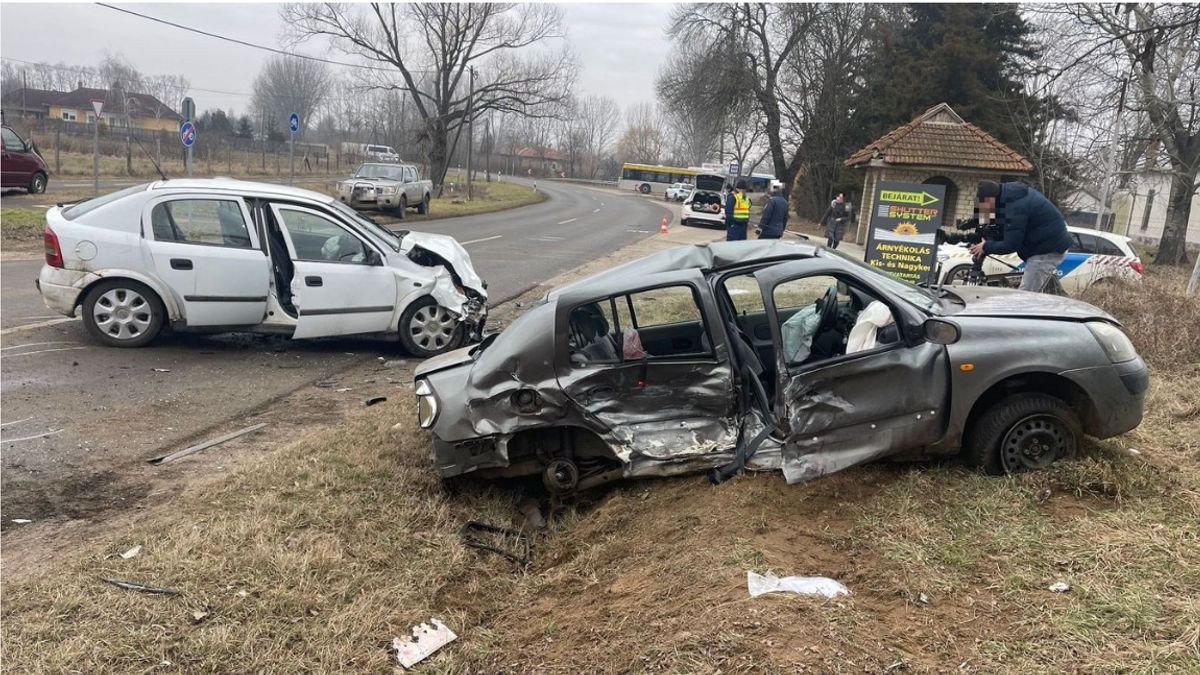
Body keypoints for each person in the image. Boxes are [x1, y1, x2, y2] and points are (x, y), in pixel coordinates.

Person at [967, 180, 1073, 293]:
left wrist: (985, 246)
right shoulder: (1006, 194)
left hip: (1046, 250)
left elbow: (1010, 244)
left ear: (991, 201)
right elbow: (994, 224)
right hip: (1044, 245)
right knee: (1035, 293)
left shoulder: (1014, 208)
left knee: (1024, 296)